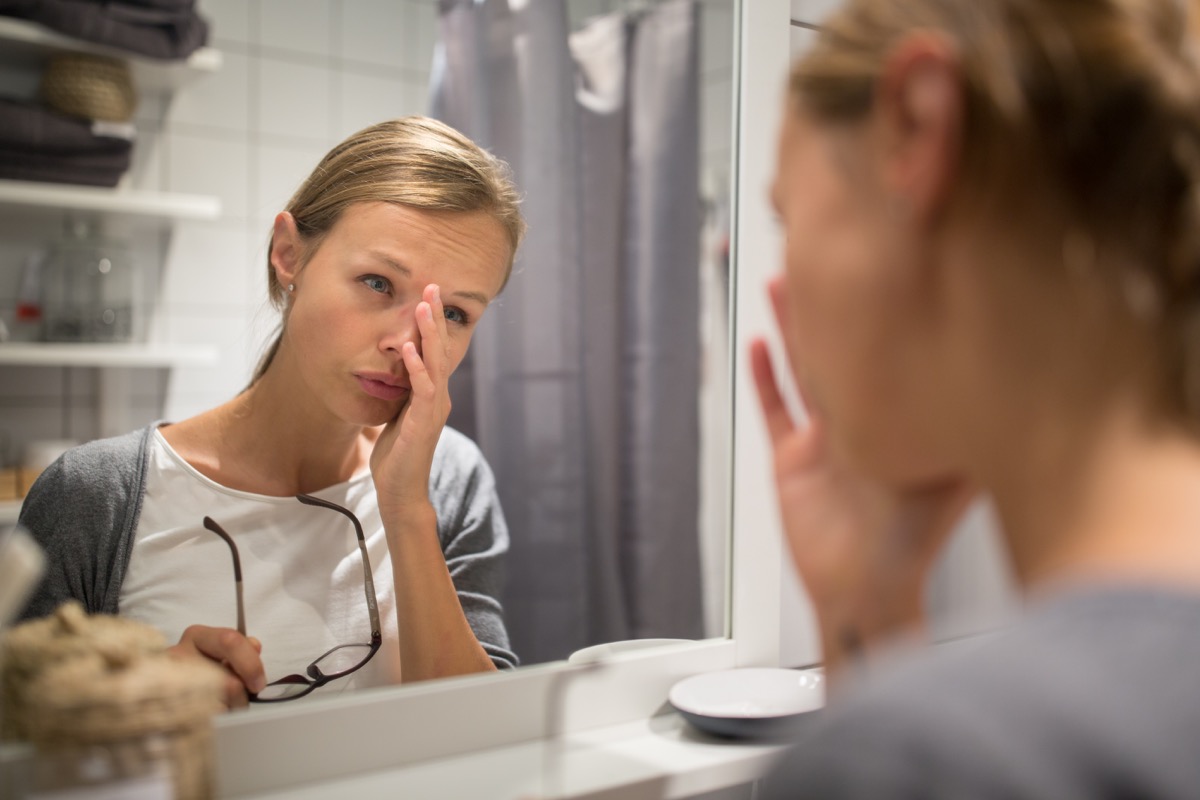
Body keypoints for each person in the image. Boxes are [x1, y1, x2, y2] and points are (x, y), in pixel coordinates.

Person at [753, 0, 1200, 796]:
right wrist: (871, 607)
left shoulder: (943, 759)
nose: (782, 283)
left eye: (787, 214)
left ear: (920, 128)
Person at [17, 117, 525, 708]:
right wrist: (136, 694)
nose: (407, 344)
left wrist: (408, 511)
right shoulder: (94, 497)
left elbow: (483, 733)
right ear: (289, 255)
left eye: (455, 314)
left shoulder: (451, 479)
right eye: (378, 283)